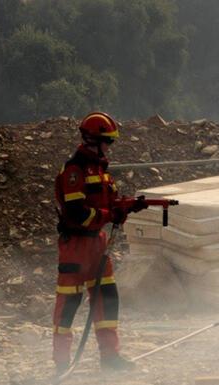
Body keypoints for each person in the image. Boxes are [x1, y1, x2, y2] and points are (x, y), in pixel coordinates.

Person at [52, 111, 146, 373]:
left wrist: (126, 208)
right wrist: (109, 215)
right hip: (76, 246)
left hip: (98, 244)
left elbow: (109, 205)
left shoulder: (101, 172)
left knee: (107, 299)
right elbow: (77, 213)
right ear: (93, 139)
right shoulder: (75, 170)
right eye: (108, 141)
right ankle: (61, 364)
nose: (110, 147)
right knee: (68, 305)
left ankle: (111, 358)